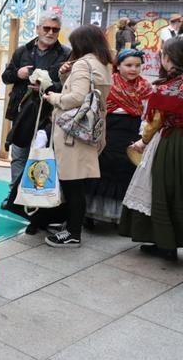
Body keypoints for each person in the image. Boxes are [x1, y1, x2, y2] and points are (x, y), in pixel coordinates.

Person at [44, 25, 113, 248]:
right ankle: (71, 225)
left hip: (73, 132)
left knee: (72, 185)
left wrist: (54, 97)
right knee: (77, 184)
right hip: (91, 129)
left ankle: (73, 233)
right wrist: (65, 75)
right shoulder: (102, 63)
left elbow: (76, 97)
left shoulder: (84, 63)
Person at [119, 36, 183, 260]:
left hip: (173, 143)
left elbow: (154, 123)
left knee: (163, 190)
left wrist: (142, 142)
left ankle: (166, 244)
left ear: (168, 59)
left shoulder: (165, 90)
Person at [1, 14, 71, 190]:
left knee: (43, 155)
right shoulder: (22, 51)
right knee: (19, 153)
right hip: (22, 110)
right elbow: (6, 77)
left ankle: (35, 196)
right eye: (46, 28)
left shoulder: (66, 54)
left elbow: (69, 87)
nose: (50, 32)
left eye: (55, 30)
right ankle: (14, 195)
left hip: (49, 112)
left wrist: (47, 86)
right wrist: (18, 73)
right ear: (38, 28)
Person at [86, 49, 152, 226]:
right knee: (104, 168)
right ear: (118, 66)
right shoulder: (109, 84)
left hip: (132, 132)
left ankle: (120, 217)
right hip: (110, 130)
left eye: (137, 65)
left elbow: (148, 113)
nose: (133, 69)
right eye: (128, 65)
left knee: (125, 171)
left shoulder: (146, 87)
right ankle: (91, 214)